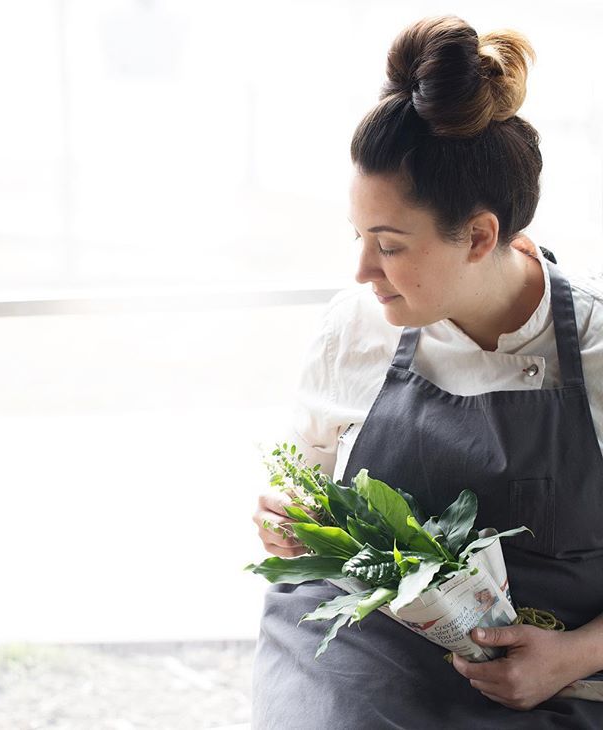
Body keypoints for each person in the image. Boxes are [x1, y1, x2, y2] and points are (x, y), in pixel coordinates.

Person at [250, 14, 603, 728]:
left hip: (544, 667)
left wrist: (573, 656)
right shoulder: (357, 325)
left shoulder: (594, 352)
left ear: (479, 236)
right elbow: (305, 482)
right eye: (359, 237)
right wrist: (285, 518)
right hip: (355, 654)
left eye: (389, 245)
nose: (361, 272)